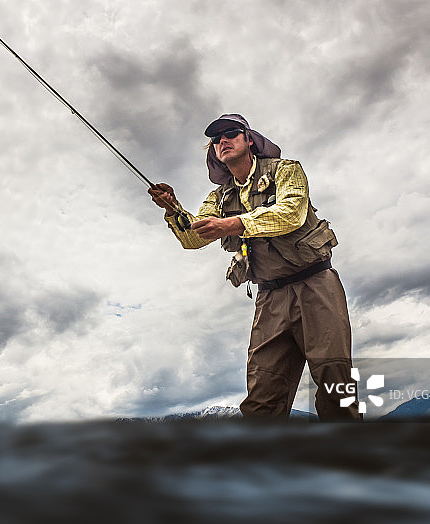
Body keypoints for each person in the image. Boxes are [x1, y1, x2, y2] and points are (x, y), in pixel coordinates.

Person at [148, 114, 361, 421]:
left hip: (316, 284)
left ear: (249, 139)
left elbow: (291, 213)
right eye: (216, 138)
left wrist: (234, 223)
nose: (223, 140)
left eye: (230, 133)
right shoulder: (219, 198)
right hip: (269, 297)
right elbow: (194, 238)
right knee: (263, 392)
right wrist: (173, 209)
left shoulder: (286, 170)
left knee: (333, 380)